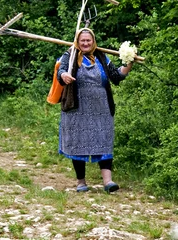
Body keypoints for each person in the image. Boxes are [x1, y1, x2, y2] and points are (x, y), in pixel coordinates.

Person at [56, 28, 132, 193]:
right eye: (82, 40)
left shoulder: (101, 57)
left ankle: (108, 182)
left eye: (88, 40)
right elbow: (60, 71)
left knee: (103, 140)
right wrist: (64, 76)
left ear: (93, 41)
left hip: (101, 109)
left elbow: (116, 75)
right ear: (78, 41)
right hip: (77, 109)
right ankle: (81, 182)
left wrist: (129, 62)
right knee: (78, 143)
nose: (85, 43)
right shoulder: (70, 55)